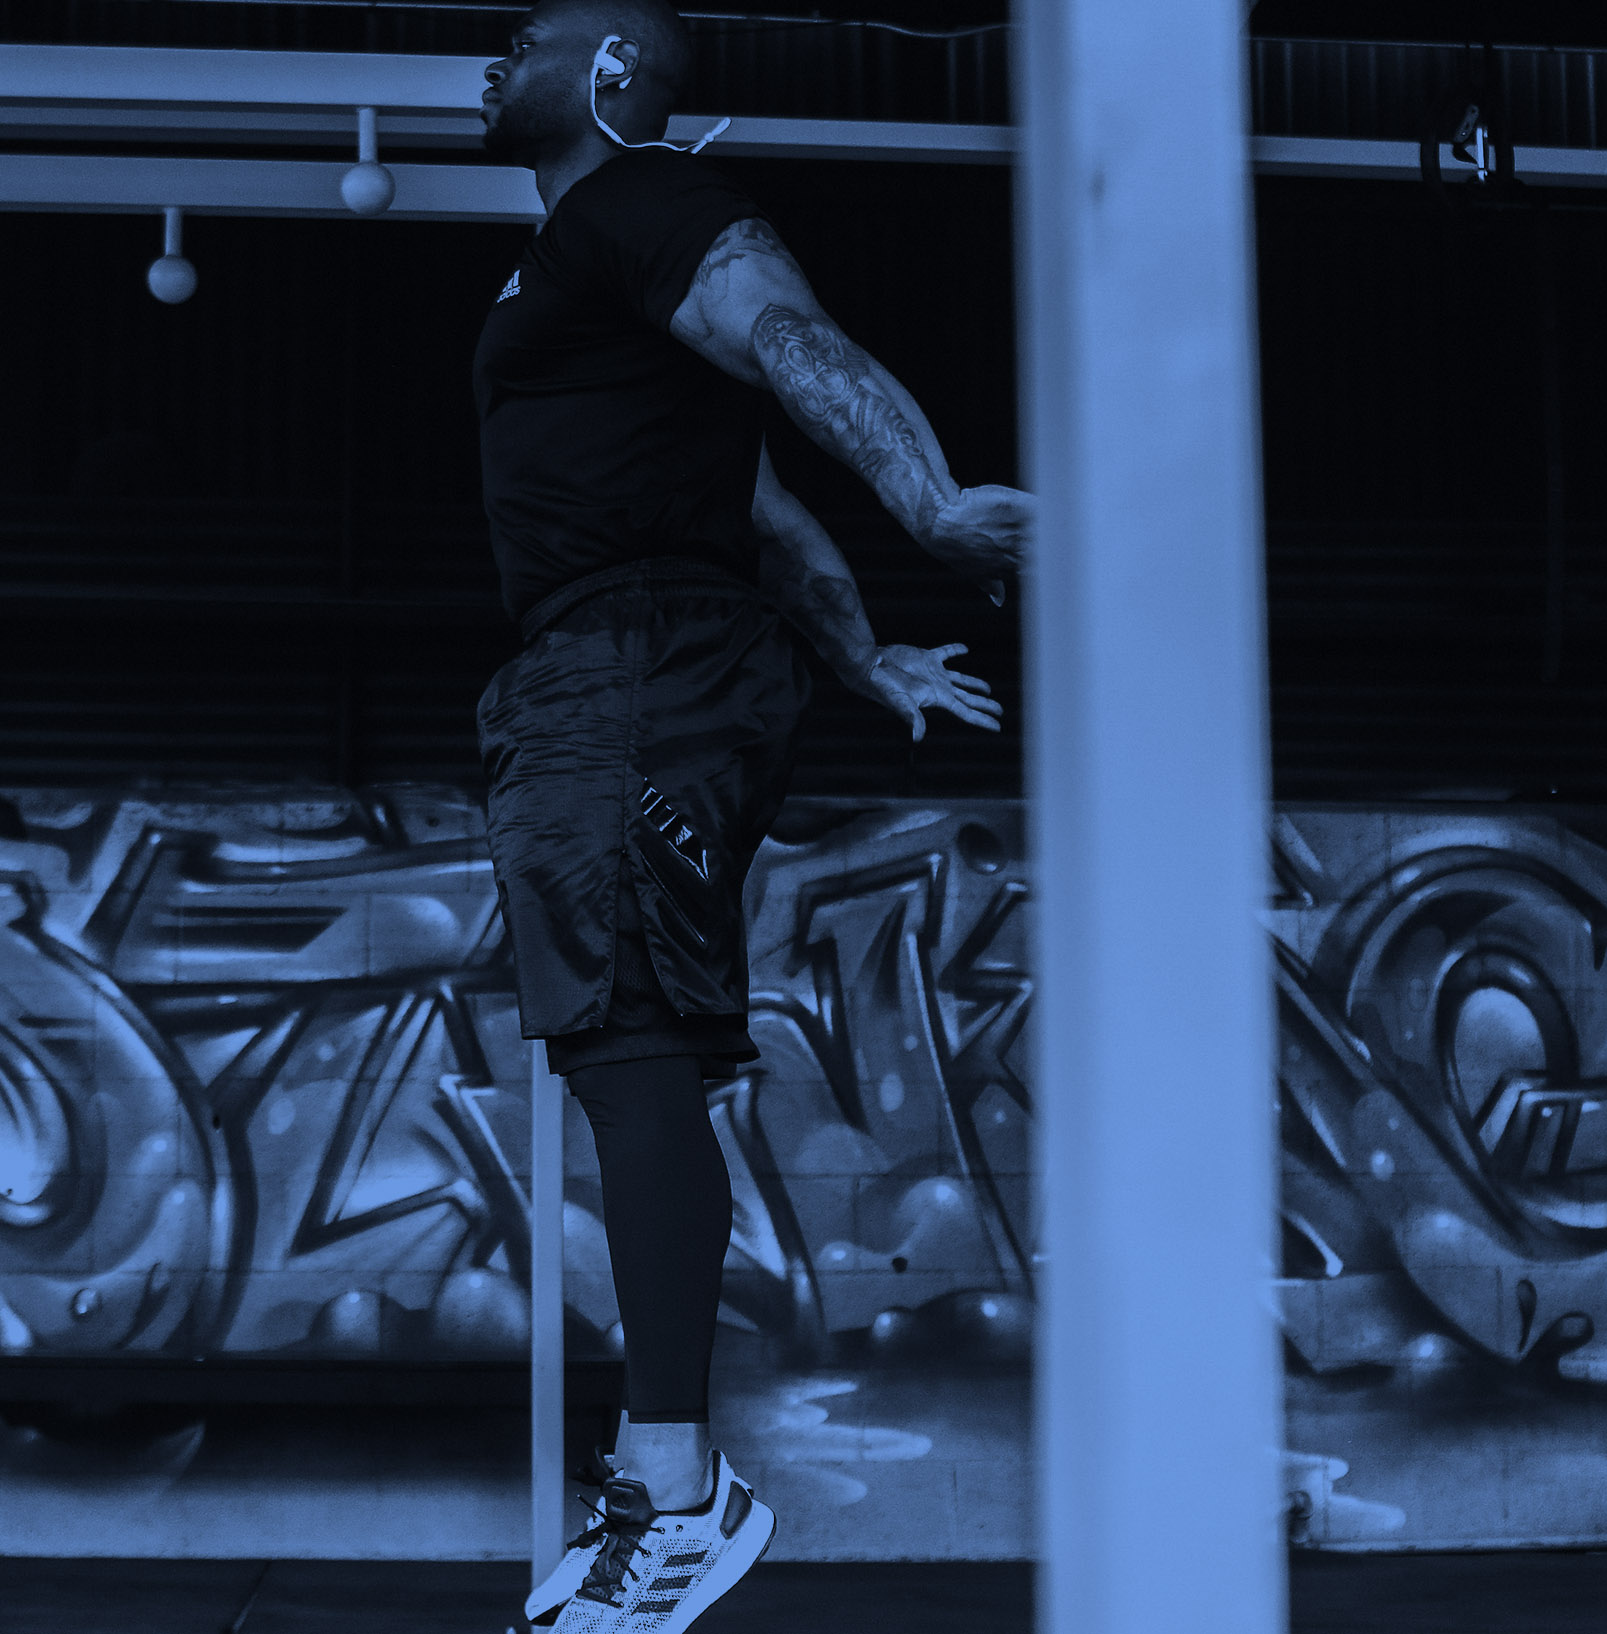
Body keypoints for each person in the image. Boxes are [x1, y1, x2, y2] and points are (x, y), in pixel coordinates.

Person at [471, 0, 1033, 1625]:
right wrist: (865, 656)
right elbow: (762, 505)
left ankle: (677, 1494)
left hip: (633, 662)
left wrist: (931, 500)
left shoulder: (646, 198)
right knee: (629, 1051)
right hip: (626, 660)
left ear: (614, 72)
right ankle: (662, 1484)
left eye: (526, 35)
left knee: (634, 1042)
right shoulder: (585, 261)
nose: (491, 58)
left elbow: (792, 338)